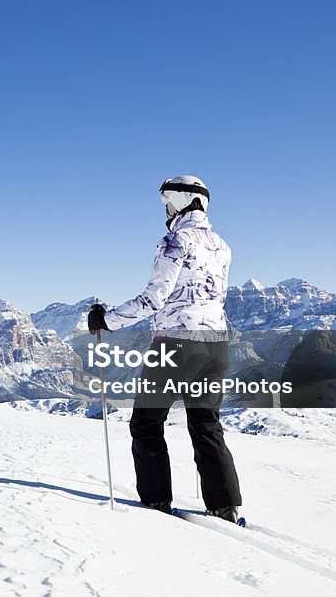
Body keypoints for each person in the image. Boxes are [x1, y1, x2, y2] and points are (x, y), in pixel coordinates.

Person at [87, 175, 242, 522]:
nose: (166, 209)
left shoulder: (174, 241)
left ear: (183, 201)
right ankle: (224, 506)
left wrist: (107, 320)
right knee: (206, 425)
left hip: (176, 344)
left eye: (167, 201)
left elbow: (154, 298)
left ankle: (156, 502)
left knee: (146, 423)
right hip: (215, 344)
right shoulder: (222, 245)